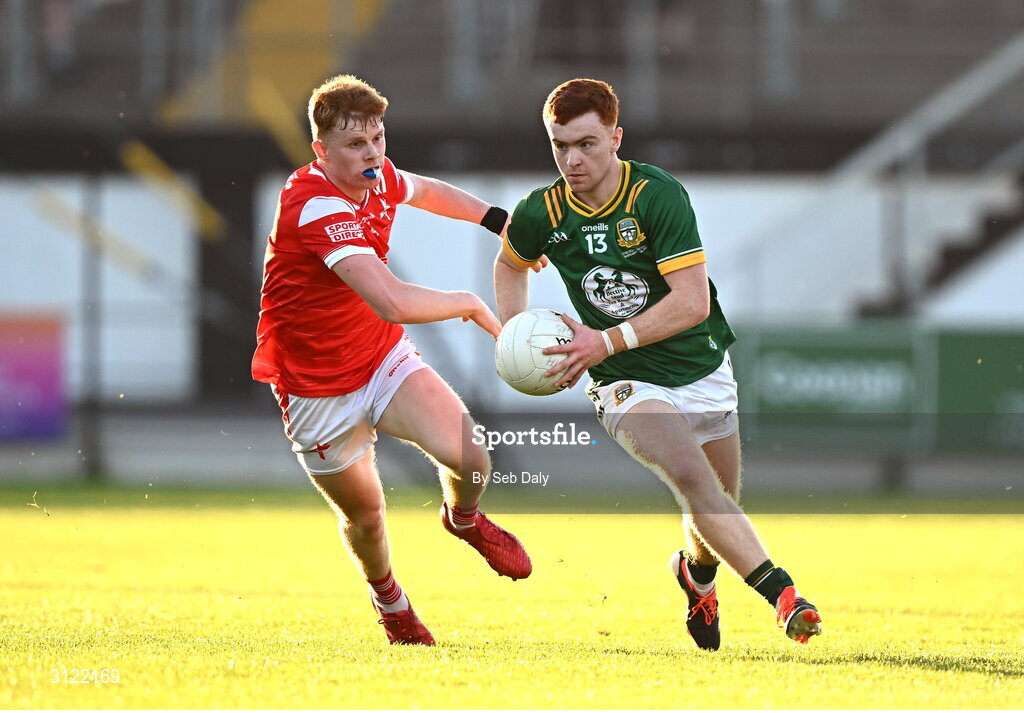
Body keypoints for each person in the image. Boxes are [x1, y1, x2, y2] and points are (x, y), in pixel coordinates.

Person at [493, 78, 822, 649]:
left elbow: (692, 303)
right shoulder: (540, 212)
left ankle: (696, 577)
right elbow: (510, 264)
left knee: (716, 507)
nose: (572, 159)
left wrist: (603, 338)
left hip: (701, 368)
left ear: (616, 137)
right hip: (625, 379)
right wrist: (515, 338)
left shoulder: (656, 196)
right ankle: (784, 596)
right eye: (559, 145)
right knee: (692, 478)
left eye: (586, 144)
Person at [253, 75, 532, 646]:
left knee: (472, 457)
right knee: (368, 518)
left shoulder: (375, 177)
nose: (373, 153)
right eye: (356, 145)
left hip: (380, 359)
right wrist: (468, 302)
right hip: (316, 390)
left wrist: (496, 219)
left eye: (378, 138)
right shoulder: (313, 207)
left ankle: (463, 519)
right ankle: (391, 603)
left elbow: (424, 191)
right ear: (321, 151)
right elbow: (393, 299)